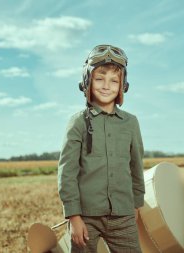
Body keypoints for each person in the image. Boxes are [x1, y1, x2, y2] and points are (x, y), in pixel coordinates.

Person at [58, 44, 145, 253]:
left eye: (114, 80)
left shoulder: (131, 123)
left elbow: (136, 166)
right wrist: (74, 216)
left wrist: (136, 204)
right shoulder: (77, 122)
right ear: (87, 81)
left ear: (123, 85)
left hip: (123, 214)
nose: (106, 86)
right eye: (99, 79)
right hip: (86, 217)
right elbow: (67, 172)